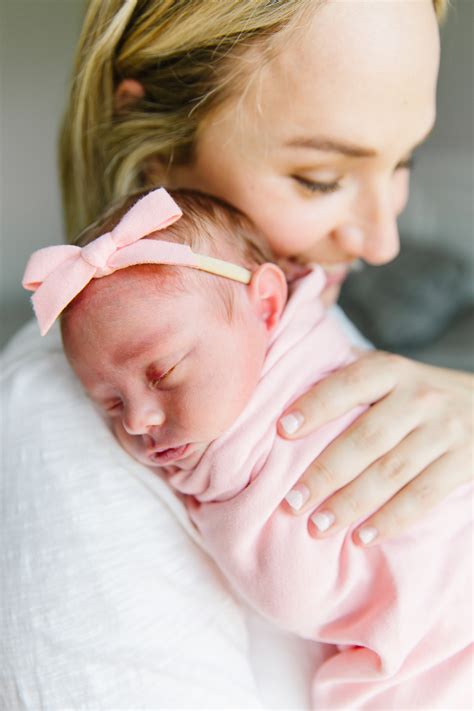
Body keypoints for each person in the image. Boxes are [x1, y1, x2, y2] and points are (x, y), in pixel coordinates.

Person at [23, 187, 473, 709]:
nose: (139, 419)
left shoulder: (308, 369)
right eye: (109, 402)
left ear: (265, 306)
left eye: (165, 372)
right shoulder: (43, 409)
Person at [60, 0, 473, 547]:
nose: (382, 245)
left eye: (403, 161)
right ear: (158, 144)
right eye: (320, 178)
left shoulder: (297, 330)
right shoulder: (73, 434)